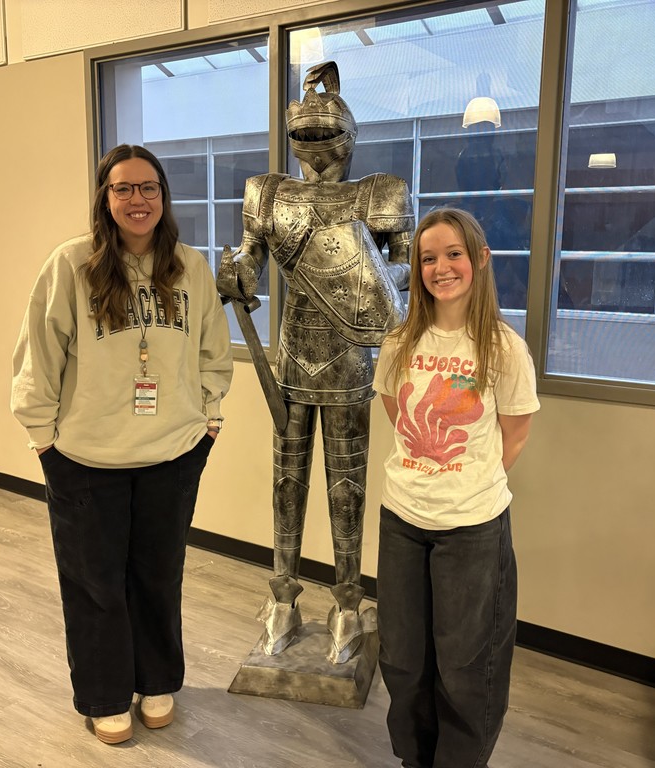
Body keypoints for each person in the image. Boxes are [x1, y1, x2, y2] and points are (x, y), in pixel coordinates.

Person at [10, 144, 233, 745]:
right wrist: (42, 439)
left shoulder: (191, 267)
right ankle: (106, 695)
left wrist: (207, 420)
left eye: (149, 188)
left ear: (164, 197)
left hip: (174, 453)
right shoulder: (71, 264)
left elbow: (215, 351)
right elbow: (39, 354)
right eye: (123, 189)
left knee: (159, 574)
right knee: (95, 583)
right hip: (85, 459)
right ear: (105, 199)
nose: (138, 200)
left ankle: (156, 680)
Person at [217, 60, 412, 663]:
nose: (316, 149)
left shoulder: (380, 192)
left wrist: (366, 274)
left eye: (325, 136)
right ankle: (283, 596)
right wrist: (239, 273)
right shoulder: (268, 193)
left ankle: (348, 601)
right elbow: (252, 259)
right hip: (293, 358)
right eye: (305, 137)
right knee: (287, 481)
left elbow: (400, 278)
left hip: (352, 358)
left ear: (348, 136)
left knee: (346, 484)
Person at [372, 207, 540, 768]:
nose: (440, 267)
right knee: (403, 659)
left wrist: (464, 483)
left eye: (453, 255)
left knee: (467, 668)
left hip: (472, 528)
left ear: (480, 259)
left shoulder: (502, 347)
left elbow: (512, 435)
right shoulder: (401, 341)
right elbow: (398, 414)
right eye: (428, 258)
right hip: (402, 520)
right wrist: (429, 469)